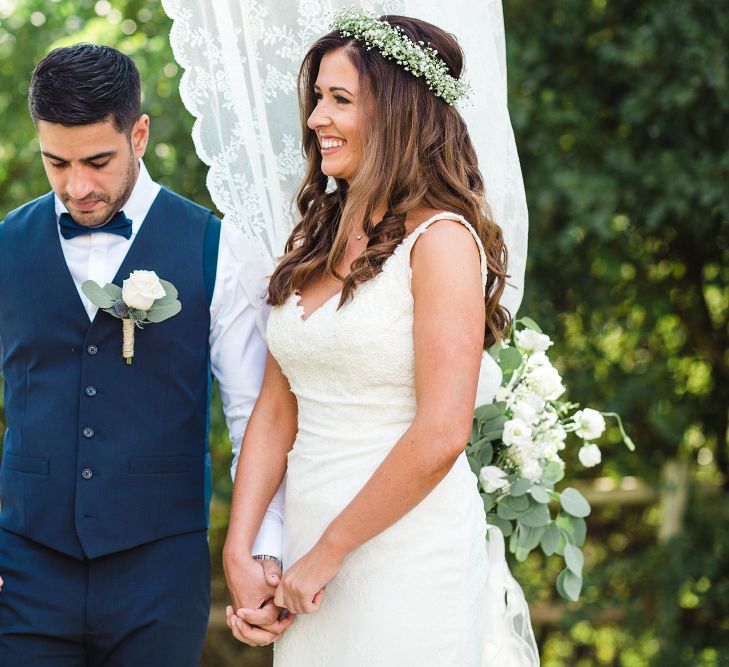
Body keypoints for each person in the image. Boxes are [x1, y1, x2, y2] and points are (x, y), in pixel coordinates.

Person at [223, 11, 537, 665]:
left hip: (404, 558)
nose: (315, 119)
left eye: (340, 99)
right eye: (317, 98)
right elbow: (278, 409)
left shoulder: (442, 242)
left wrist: (327, 552)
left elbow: (442, 430)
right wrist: (242, 542)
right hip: (308, 562)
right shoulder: (316, 237)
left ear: (398, 113)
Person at [0, 43, 285, 666]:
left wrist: (262, 548)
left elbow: (251, 412)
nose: (77, 186)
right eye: (56, 163)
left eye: (98, 160)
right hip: (20, 573)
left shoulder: (219, 249)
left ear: (140, 133)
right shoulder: (5, 247)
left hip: (160, 575)